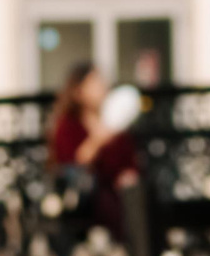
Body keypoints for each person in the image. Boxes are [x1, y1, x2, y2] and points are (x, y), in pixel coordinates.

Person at [46, 60, 141, 235]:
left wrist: (128, 175)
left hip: (118, 193)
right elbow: (73, 164)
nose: (102, 87)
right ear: (78, 91)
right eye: (95, 82)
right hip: (85, 197)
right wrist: (97, 140)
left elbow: (129, 161)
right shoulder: (68, 125)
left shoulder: (115, 124)